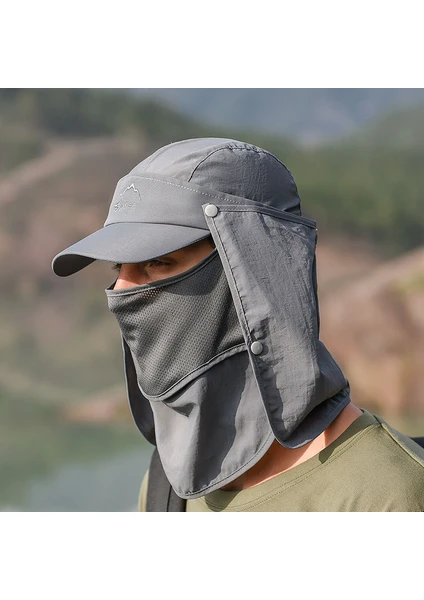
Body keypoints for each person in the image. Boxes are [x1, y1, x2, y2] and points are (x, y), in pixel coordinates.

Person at [52, 137, 424, 512]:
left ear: (258, 266)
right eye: (118, 267)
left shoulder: (386, 497)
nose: (120, 290)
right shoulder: (167, 488)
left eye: (158, 262)